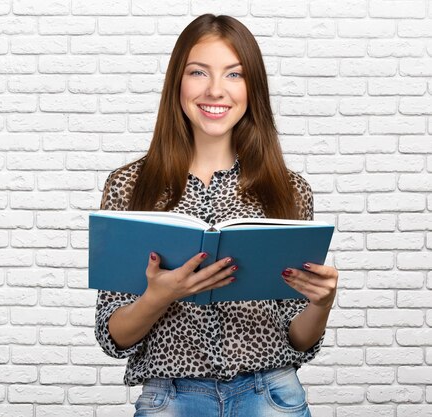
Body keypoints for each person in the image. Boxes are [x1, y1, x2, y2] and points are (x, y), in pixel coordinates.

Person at [94, 14, 339, 417]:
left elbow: (299, 338)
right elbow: (112, 336)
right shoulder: (129, 187)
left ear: (252, 88)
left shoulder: (289, 190)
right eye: (198, 72)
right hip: (170, 400)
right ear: (178, 82)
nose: (215, 90)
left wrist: (322, 303)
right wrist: (159, 296)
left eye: (234, 74)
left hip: (272, 396)